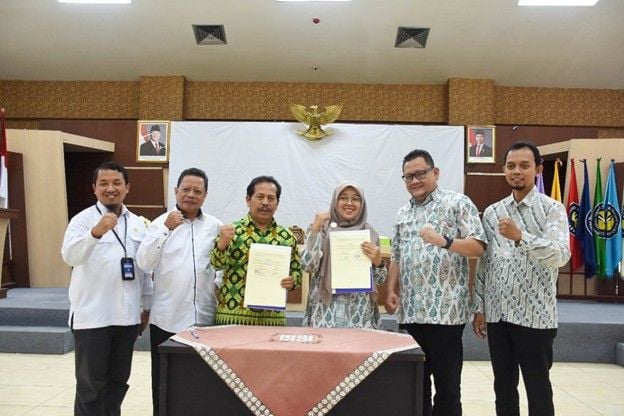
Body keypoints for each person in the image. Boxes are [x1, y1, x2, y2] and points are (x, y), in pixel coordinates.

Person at [384, 149, 486, 416]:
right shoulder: (402, 213)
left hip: (445, 313)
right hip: (411, 312)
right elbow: (396, 255)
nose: (414, 181)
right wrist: (391, 289)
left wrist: (445, 241)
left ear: (435, 172)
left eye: (420, 174)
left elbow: (478, 246)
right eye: (408, 177)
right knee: (415, 385)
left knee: (447, 387)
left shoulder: (457, 203)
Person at [473, 141, 570, 416]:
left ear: (538, 169)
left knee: (538, 388)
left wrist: (520, 237)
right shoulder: (493, 213)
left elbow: (560, 255)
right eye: (511, 166)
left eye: (524, 166)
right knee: (503, 387)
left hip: (535, 316)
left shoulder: (552, 209)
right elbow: (485, 262)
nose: (517, 171)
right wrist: (479, 307)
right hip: (498, 315)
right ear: (504, 170)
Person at [61, 161, 152, 416]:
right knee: (91, 387)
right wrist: (95, 233)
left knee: (117, 384)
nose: (110, 188)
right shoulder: (82, 220)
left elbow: (145, 269)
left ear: (127, 187)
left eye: (116, 183)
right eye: (103, 183)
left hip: (127, 318)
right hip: (93, 317)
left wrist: (146, 306)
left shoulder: (138, 223)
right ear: (94, 188)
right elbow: (69, 256)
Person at [135, 167, 221, 416]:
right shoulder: (159, 224)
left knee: (201, 382)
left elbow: (221, 265)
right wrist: (166, 229)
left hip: (203, 319)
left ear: (205, 195)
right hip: (167, 319)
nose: (191, 195)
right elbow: (144, 262)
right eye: (186, 189)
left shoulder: (215, 226)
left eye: (197, 191)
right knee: (165, 383)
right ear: (176, 191)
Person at [211, 175, 302, 326]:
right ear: (248, 200)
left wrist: (292, 281)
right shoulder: (231, 231)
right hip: (232, 319)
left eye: (271, 198)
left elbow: (297, 272)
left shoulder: (287, 237)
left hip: (272, 320)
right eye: (260, 197)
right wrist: (221, 245)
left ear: (277, 203)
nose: (265, 202)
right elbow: (216, 264)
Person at [301, 181, 386, 329]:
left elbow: (379, 280)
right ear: (335, 201)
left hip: (359, 314)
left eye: (356, 199)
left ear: (362, 204)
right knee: (325, 344)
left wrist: (379, 263)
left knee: (358, 345)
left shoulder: (369, 233)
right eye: (343, 198)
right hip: (325, 312)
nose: (349, 203)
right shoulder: (321, 228)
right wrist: (315, 230)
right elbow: (308, 265)